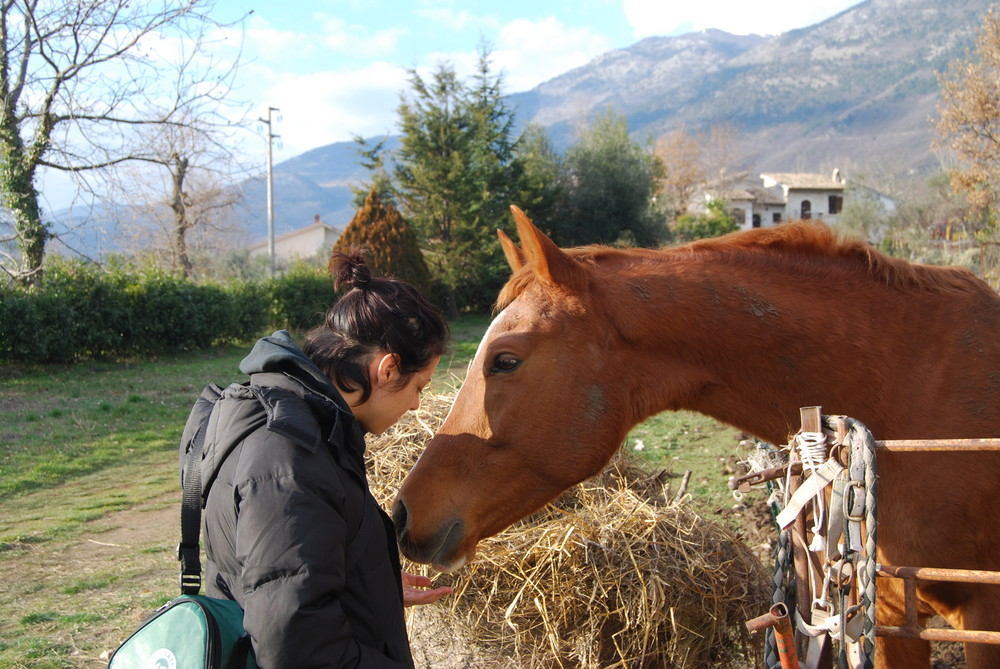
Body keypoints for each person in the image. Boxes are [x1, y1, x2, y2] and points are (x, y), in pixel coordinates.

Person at [198, 249, 453, 668]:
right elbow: (300, 651)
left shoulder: (295, 423)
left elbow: (280, 580)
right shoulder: (291, 461)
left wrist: (372, 589)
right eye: (419, 387)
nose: (415, 407)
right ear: (387, 369)